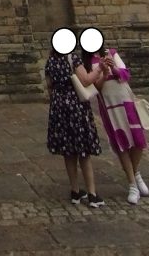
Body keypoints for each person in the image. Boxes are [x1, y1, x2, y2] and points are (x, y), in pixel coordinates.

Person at [45, 42, 110, 207]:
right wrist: (100, 68)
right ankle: (92, 194)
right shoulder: (72, 58)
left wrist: (59, 101)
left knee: (68, 151)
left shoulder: (50, 61)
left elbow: (50, 87)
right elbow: (86, 80)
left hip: (59, 108)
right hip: (76, 107)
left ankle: (75, 191)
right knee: (83, 152)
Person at [84, 42, 149, 205]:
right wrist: (103, 72)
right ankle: (132, 184)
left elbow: (126, 75)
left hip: (126, 100)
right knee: (122, 144)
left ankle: (134, 173)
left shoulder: (111, 53)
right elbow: (96, 87)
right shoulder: (88, 61)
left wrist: (112, 68)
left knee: (139, 141)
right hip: (109, 105)